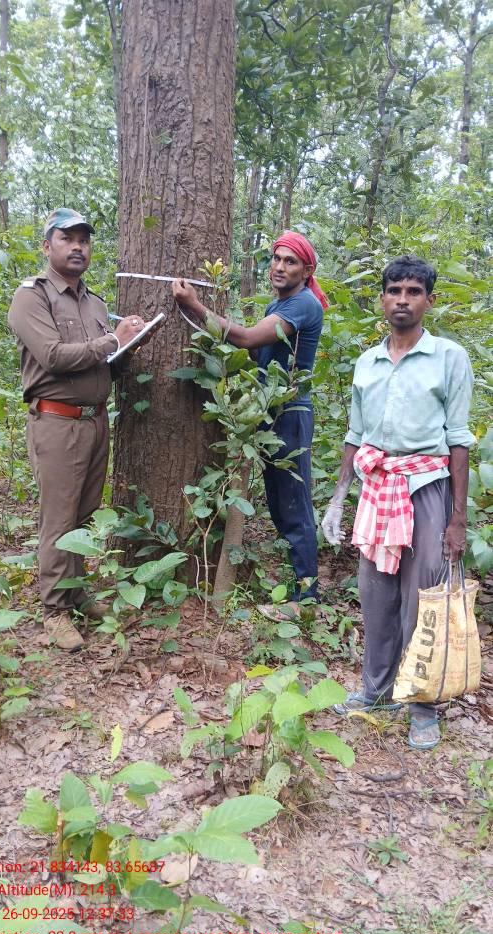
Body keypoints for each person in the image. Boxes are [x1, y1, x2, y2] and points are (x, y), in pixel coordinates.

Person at [321, 255, 474, 749]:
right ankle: (376, 690)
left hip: (427, 487)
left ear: (429, 300)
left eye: (413, 291)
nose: (402, 300)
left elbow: (458, 439)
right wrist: (338, 500)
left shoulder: (448, 357)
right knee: (375, 594)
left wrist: (456, 519)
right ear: (382, 299)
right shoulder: (367, 362)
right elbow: (355, 435)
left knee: (422, 596)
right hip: (378, 488)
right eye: (394, 291)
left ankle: (422, 705)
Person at [8, 208, 151, 652]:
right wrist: (114, 338)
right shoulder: (31, 298)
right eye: (67, 238)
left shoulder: (95, 303)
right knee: (59, 517)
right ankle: (54, 610)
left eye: (84, 240)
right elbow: (53, 356)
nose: (77, 247)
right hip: (56, 422)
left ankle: (76, 593)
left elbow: (103, 363)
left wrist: (128, 345)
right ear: (46, 245)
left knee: (85, 513)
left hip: (95, 421)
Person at [172, 231, 328, 617]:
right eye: (276, 258)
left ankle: (306, 598)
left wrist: (195, 305)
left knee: (293, 504)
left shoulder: (302, 304)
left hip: (290, 413)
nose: (280, 267)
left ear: (306, 271)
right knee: (279, 502)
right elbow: (259, 352)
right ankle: (300, 588)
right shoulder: (280, 304)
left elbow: (245, 339)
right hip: (270, 410)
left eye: (290, 261)